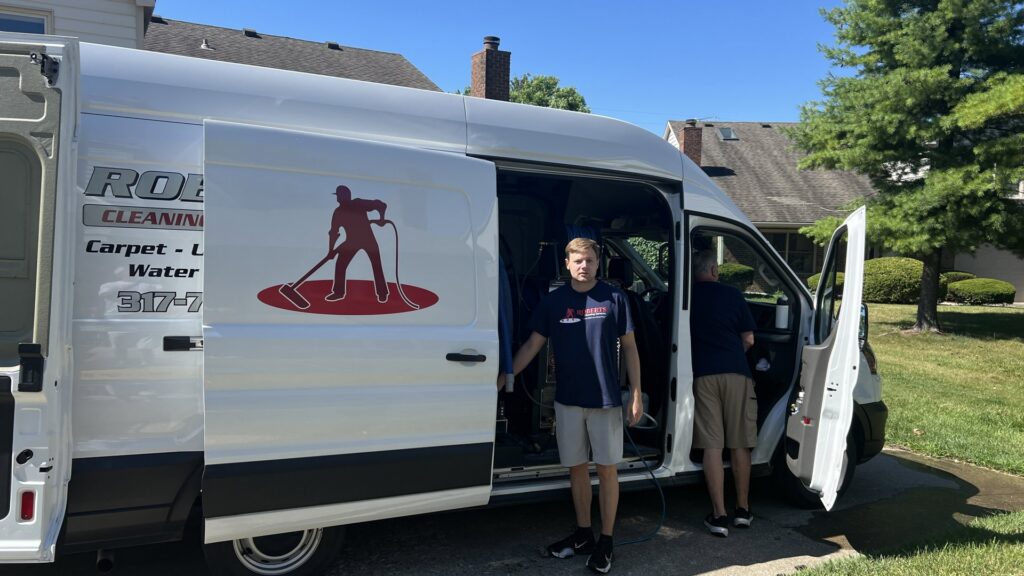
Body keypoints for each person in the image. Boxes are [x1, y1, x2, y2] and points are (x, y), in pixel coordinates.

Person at [503, 237, 642, 575]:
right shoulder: (554, 302)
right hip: (567, 401)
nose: (584, 266)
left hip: (605, 400)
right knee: (577, 468)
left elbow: (631, 348)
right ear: (566, 264)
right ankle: (583, 534)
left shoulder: (614, 297)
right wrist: (505, 374)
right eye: (578, 260)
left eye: (590, 261)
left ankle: (606, 540)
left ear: (598, 264)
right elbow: (533, 345)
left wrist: (636, 393)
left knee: (607, 469)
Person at [690, 249, 757, 537]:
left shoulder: (685, 297)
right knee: (740, 444)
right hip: (737, 373)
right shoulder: (733, 295)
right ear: (715, 271)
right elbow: (749, 339)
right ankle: (743, 510)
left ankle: (719, 515)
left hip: (703, 375)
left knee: (712, 447)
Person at [326, 185, 389, 303]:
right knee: (340, 264)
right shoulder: (338, 212)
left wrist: (381, 219)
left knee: (376, 265)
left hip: (367, 239)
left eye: (338, 195)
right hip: (352, 241)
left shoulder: (358, 203)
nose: (337, 198)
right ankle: (338, 292)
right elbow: (334, 233)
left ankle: (382, 293)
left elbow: (381, 205)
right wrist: (331, 251)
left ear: (342, 196)